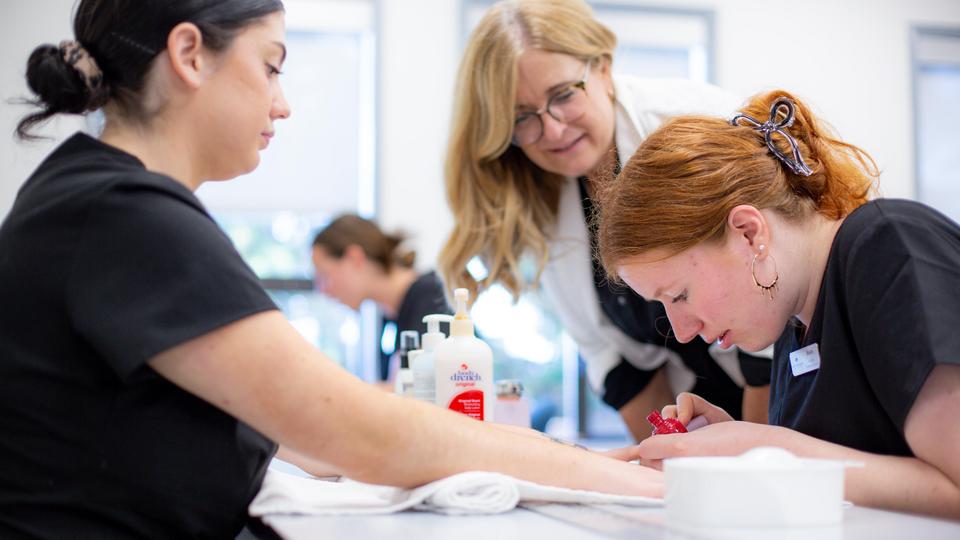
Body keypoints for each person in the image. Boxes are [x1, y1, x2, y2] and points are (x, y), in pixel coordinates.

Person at [0, 1, 662, 537]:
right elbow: (358, 433)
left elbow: (306, 430)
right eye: (271, 66)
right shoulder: (126, 215)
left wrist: (581, 467)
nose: (282, 104)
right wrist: (607, 473)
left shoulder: (100, 199)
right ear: (189, 55)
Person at [595, 89, 960, 519]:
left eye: (680, 295)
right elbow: (858, 475)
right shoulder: (793, 328)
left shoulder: (889, 245)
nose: (682, 332)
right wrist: (742, 453)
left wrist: (765, 446)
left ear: (749, 232)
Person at [438, 0, 771, 442]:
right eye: (522, 118)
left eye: (562, 95)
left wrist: (747, 461)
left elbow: (768, 316)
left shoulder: (696, 123)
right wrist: (661, 468)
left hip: (787, 389)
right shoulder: (541, 189)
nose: (553, 130)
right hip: (708, 405)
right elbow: (618, 365)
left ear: (604, 69)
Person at [311, 213, 450, 381]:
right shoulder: (390, 315)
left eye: (324, 276)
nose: (324, 290)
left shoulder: (429, 297)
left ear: (354, 258)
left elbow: (413, 388)